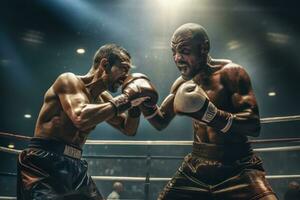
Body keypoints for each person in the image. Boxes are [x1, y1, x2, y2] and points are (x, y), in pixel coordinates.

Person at [140, 23, 277, 199]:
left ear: (204, 48)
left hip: (237, 166)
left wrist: (210, 114)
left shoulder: (232, 73)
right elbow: (160, 121)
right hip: (196, 169)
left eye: (184, 50)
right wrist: (142, 102)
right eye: (174, 52)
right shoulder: (182, 84)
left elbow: (253, 126)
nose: (177, 58)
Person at [17, 43, 158, 200]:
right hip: (43, 163)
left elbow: (128, 129)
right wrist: (127, 99)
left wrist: (135, 106)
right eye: (123, 68)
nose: (126, 76)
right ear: (105, 64)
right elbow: (80, 118)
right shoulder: (68, 80)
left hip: (75, 166)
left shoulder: (103, 99)